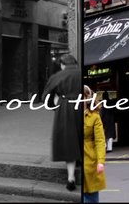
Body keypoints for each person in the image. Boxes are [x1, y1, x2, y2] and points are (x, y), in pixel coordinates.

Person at [43, 53, 82, 190]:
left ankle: (70, 178)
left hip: (65, 108)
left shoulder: (57, 76)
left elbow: (46, 96)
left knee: (68, 141)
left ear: (62, 64)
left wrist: (54, 105)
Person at [82, 85, 107, 203]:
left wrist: (100, 162)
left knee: (90, 197)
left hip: (89, 162)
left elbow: (100, 141)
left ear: (87, 97)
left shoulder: (95, 117)